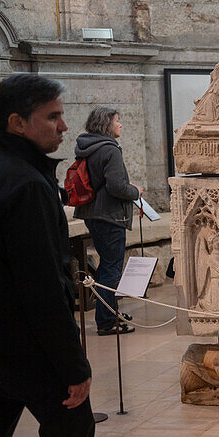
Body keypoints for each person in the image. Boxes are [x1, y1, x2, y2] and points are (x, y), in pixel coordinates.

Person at [0, 74, 167, 437]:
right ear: (17, 123)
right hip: (31, 353)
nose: (63, 125)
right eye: (51, 116)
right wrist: (74, 367)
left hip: (0, 349)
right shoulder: (26, 184)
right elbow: (43, 286)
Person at [73, 106, 142, 335]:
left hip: (93, 213)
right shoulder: (110, 149)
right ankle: (106, 322)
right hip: (110, 216)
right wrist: (136, 192)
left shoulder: (88, 146)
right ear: (106, 124)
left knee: (107, 266)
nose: (120, 124)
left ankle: (110, 312)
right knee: (111, 269)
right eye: (117, 121)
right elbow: (116, 187)